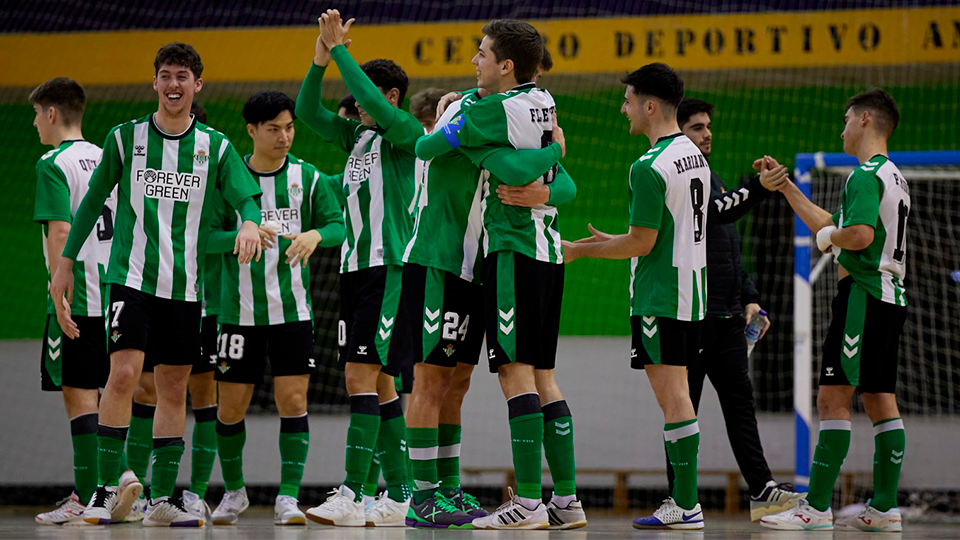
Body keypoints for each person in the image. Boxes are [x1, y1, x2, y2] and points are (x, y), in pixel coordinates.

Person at [50, 42, 262, 527]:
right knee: (122, 376)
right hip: (131, 279)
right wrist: (65, 263)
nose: (173, 84)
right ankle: (105, 489)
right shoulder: (127, 138)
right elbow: (91, 202)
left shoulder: (216, 146)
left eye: (182, 76)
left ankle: (160, 499)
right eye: (165, 75)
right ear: (155, 82)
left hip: (185, 289)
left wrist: (250, 222)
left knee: (173, 388)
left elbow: (247, 198)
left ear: (197, 85)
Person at [415, 20, 581, 530]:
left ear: (506, 65)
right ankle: (566, 501)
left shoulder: (488, 110)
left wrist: (465, 130)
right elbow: (567, 186)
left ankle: (527, 502)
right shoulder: (545, 103)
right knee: (543, 377)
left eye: (481, 54)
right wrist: (553, 158)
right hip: (548, 248)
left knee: (514, 373)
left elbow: (426, 149)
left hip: (510, 250)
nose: (475, 62)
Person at [562, 62, 707, 530]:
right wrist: (601, 241)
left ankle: (685, 503)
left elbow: (642, 244)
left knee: (674, 401)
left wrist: (580, 253)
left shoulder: (648, 165)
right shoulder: (692, 153)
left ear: (649, 106)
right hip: (691, 293)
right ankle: (685, 502)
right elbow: (659, 231)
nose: (622, 109)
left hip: (658, 296)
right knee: (679, 397)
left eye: (627, 101)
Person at [760, 89, 909, 533]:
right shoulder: (893, 176)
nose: (841, 128)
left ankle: (816, 508)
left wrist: (829, 241)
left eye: (846, 119)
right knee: (881, 400)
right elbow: (838, 225)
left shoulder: (863, 175)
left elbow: (856, 235)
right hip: (889, 296)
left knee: (831, 398)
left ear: (865, 119)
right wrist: (787, 186)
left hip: (862, 295)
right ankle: (884, 508)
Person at [295, 11, 417, 527]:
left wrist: (342, 49)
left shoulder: (405, 134)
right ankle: (405, 492)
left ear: (389, 98)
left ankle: (353, 492)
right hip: (354, 271)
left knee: (359, 375)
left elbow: (363, 99)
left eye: (370, 95)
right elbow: (307, 112)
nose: (357, 106)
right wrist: (321, 57)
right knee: (382, 385)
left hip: (389, 269)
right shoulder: (358, 142)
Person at [207, 91, 345, 527]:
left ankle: (288, 498)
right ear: (251, 131)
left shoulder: (308, 176)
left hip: (293, 314)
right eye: (273, 129)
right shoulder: (227, 182)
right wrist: (238, 237)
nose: (284, 137)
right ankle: (234, 491)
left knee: (294, 401)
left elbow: (338, 224)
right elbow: (202, 237)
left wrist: (315, 237)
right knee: (229, 409)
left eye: (289, 127)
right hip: (237, 313)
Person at [664, 97, 802, 521]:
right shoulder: (679, 183)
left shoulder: (716, 181)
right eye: (697, 127)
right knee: (681, 414)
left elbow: (728, 253)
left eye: (708, 126)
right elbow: (720, 221)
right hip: (691, 319)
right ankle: (680, 501)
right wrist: (762, 185)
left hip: (726, 321)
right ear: (678, 132)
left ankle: (762, 491)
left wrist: (750, 297)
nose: (707, 134)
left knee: (741, 407)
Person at [122, 101, 223, 524]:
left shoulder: (217, 172)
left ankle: (195, 493)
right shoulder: (141, 162)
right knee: (144, 388)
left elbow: (220, 234)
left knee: (199, 395)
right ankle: (141, 491)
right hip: (154, 289)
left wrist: (249, 232)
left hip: (209, 298)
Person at [30, 77, 123, 525]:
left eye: (35, 114)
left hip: (77, 294)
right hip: (118, 293)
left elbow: (61, 230)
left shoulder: (52, 163)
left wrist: (56, 287)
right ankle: (119, 483)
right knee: (115, 392)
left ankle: (90, 495)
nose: (33, 124)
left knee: (79, 394)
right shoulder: (110, 159)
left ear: (51, 113)